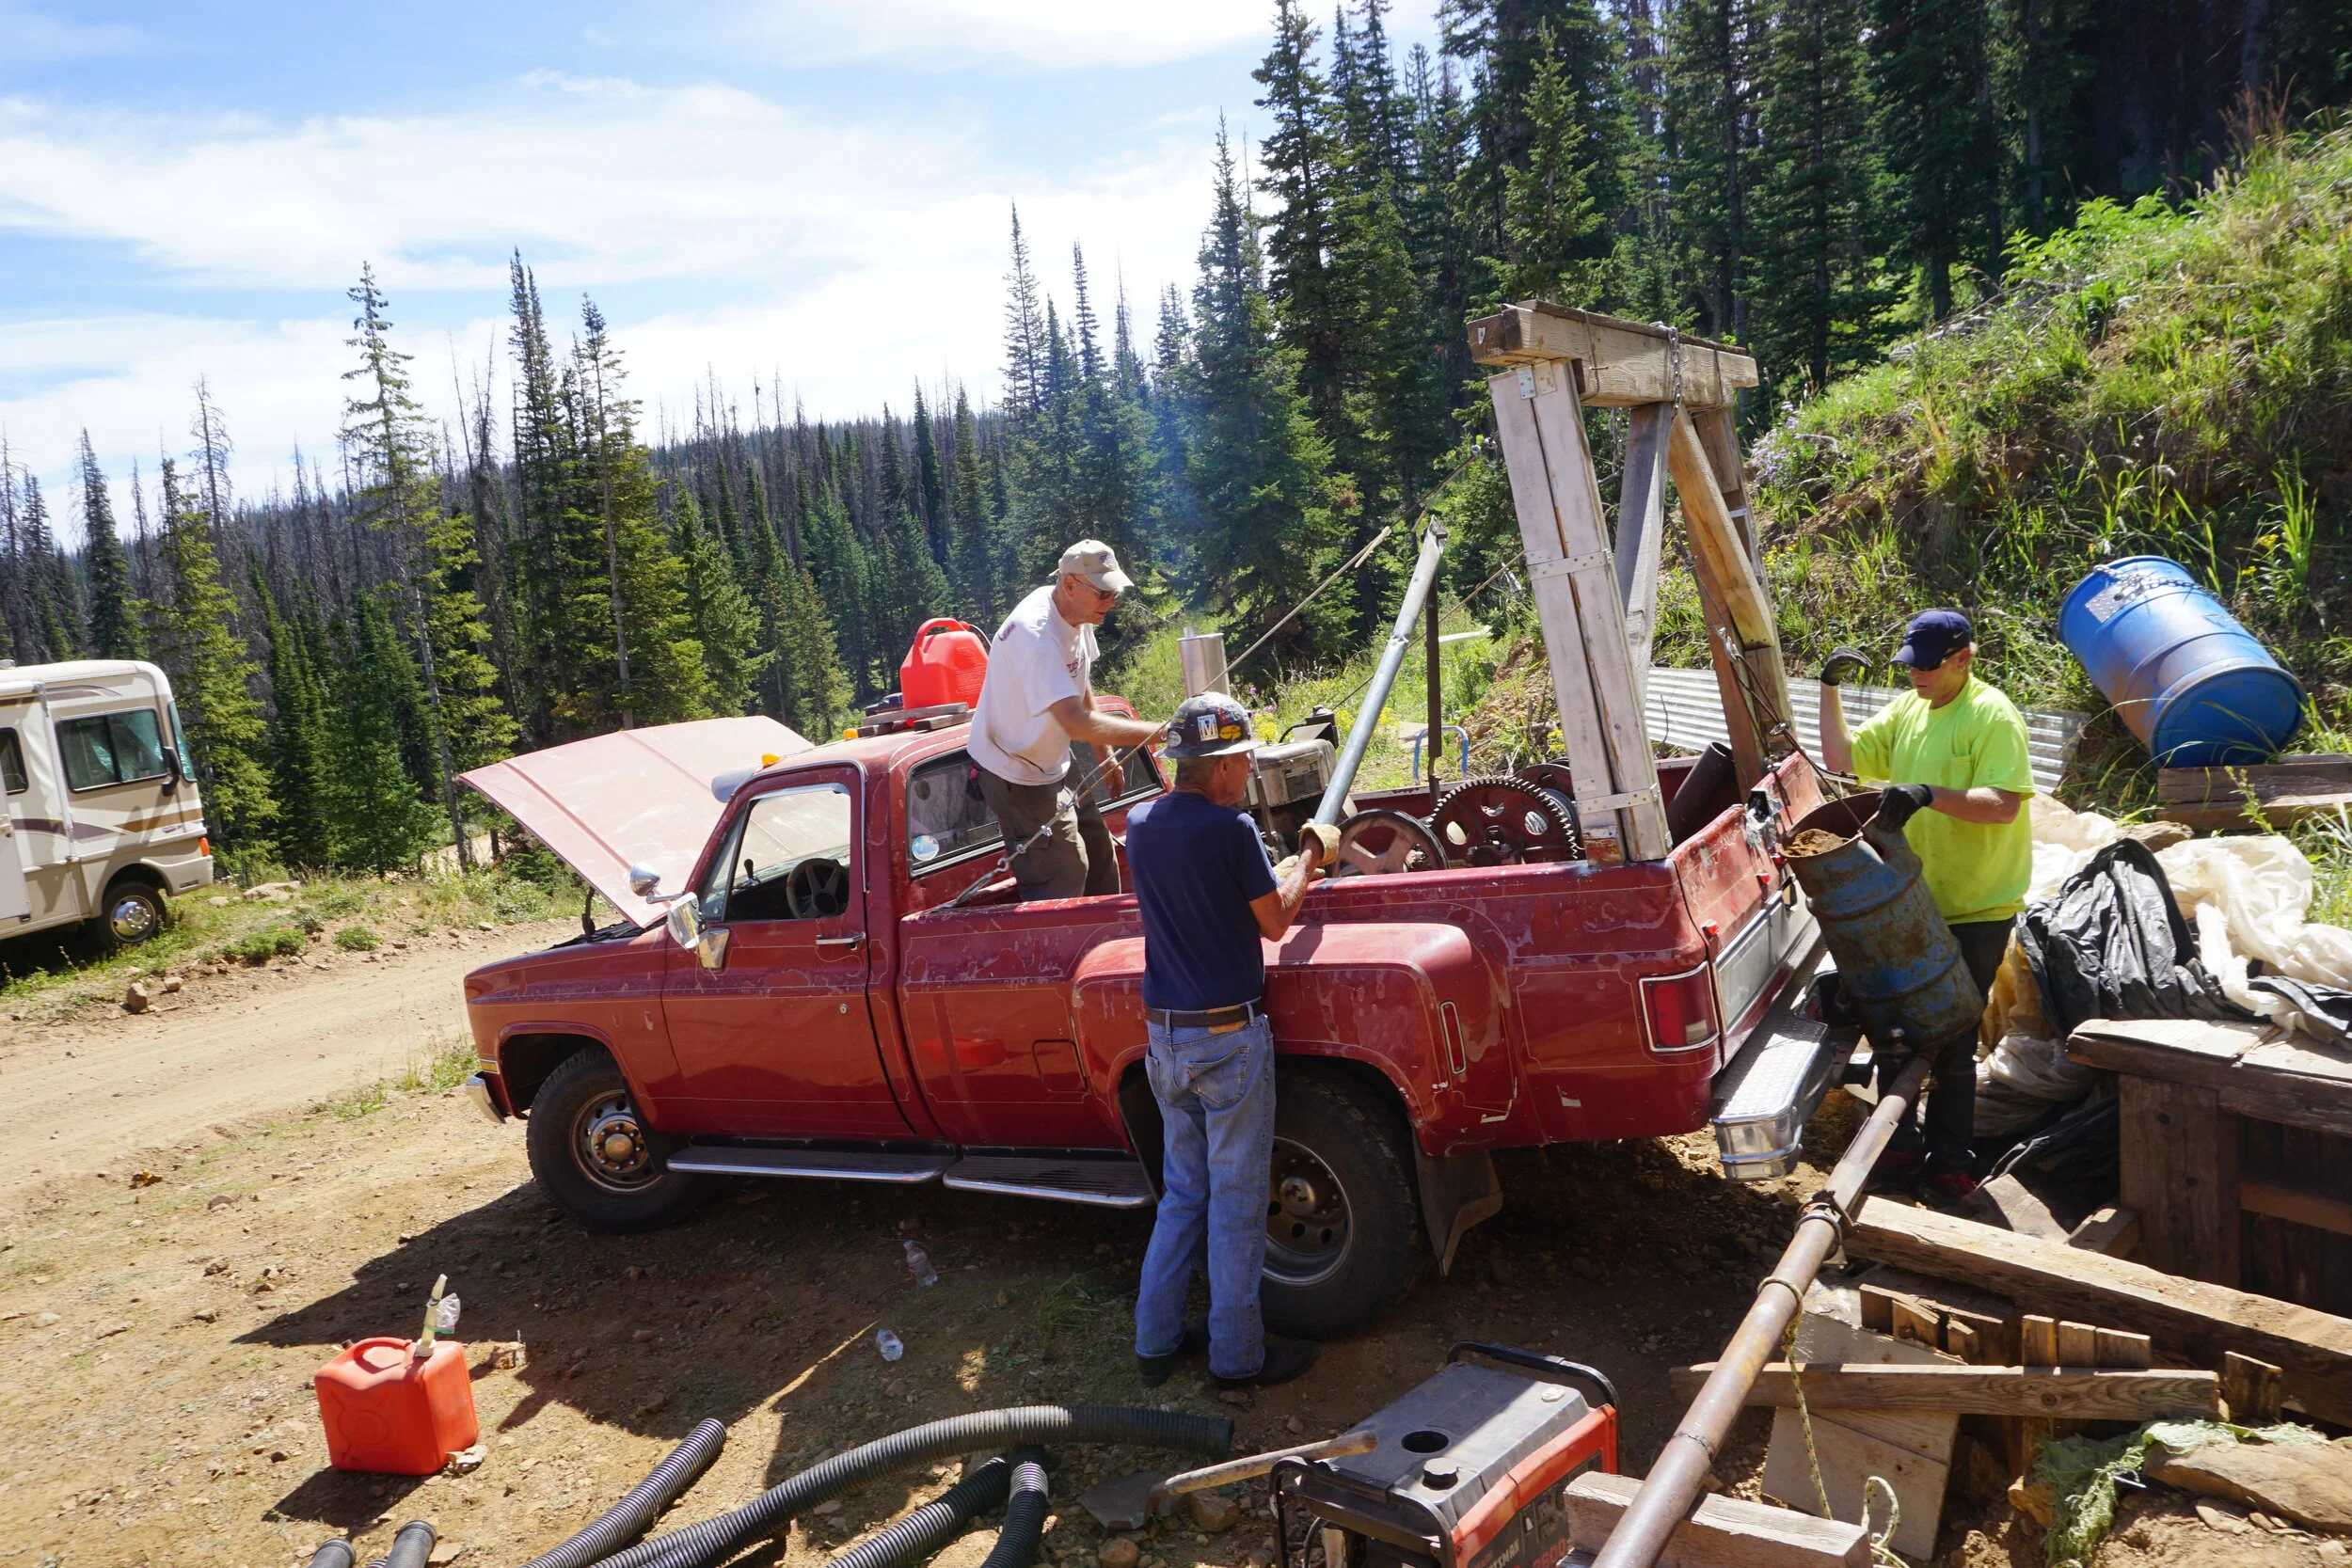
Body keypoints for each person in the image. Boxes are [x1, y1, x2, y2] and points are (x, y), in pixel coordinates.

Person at [1125, 692, 1330, 1390]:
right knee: (1238, 1201)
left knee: (1183, 1192)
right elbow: (1274, 922)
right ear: (1215, 766)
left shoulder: (1139, 824)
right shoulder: (1233, 830)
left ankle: (1154, 1344)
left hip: (1164, 1040)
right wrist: (1306, 856)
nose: (1245, 768)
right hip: (1226, 1040)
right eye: (1241, 757)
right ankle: (1237, 1357)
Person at [1818, 609, 2035, 1210]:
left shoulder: (1990, 716)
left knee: (1954, 1039)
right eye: (1909, 666)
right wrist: (1828, 687)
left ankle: (1949, 1166)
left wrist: (1927, 794)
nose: (1915, 677)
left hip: (1975, 906)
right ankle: (1898, 1152)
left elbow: (2001, 806)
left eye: (1926, 668)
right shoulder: (1912, 708)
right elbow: (1841, 759)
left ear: (1963, 659)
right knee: (1893, 1033)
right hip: (1910, 900)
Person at [967, 540, 1165, 900]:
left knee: (1102, 853)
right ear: (1070, 583)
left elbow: (1079, 677)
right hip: (1016, 769)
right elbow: (1074, 722)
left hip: (1053, 759)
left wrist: (1103, 754)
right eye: (1103, 594)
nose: (1111, 602)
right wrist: (1167, 732)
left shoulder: (1078, 612)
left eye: (1115, 592)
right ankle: (1066, 950)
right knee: (1065, 870)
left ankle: (1107, 937)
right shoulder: (1034, 634)